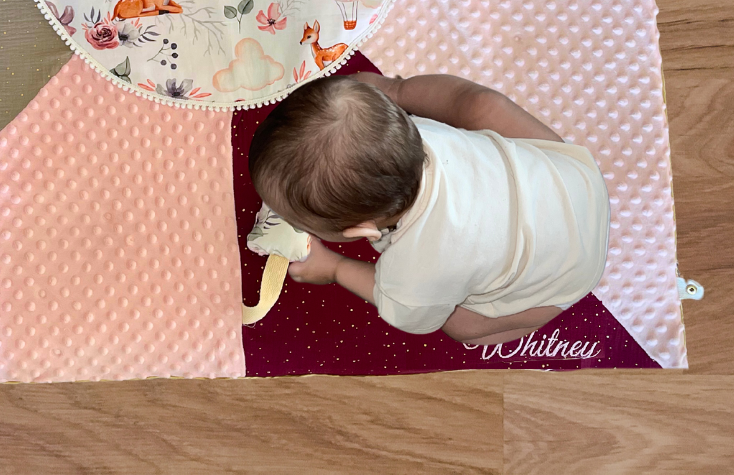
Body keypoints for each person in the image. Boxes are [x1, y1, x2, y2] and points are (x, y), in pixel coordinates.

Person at [247, 72, 610, 345]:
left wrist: (336, 267)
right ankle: (394, 89)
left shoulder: (419, 265)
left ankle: (539, 312)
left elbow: (409, 314)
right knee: (482, 107)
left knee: (460, 325)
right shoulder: (419, 134)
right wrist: (398, 90)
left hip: (572, 271)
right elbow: (473, 102)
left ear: (361, 230)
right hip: (577, 181)